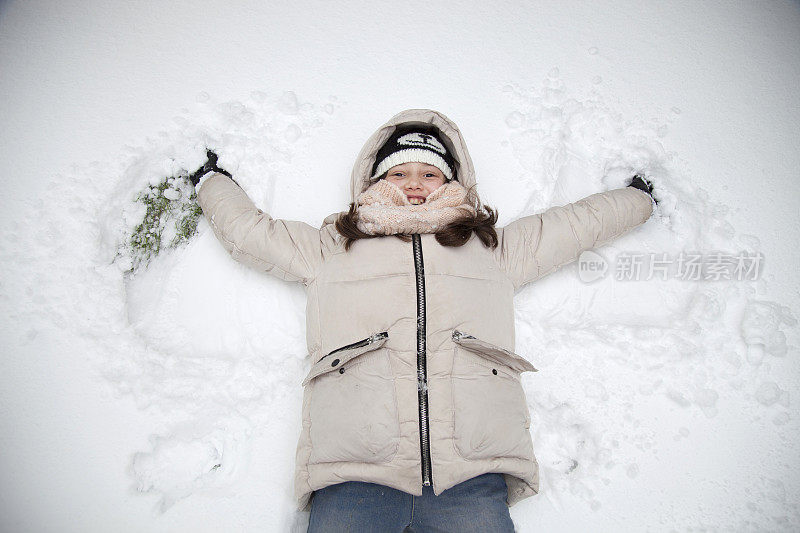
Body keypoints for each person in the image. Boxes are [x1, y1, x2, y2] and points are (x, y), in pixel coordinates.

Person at [189, 109, 656, 532]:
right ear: (373, 182)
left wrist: (638, 200)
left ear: (454, 183)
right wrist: (211, 181)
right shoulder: (332, 247)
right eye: (399, 172)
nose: (414, 183)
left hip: (470, 475)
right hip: (354, 474)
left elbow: (572, 227)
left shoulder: (490, 249)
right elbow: (253, 234)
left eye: (429, 173)